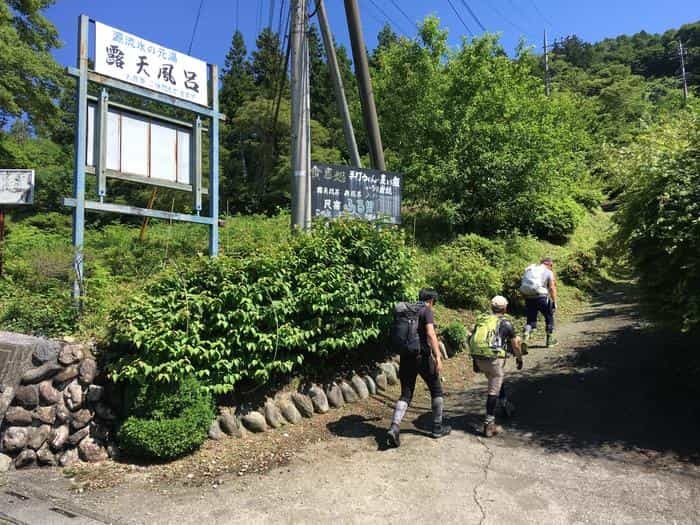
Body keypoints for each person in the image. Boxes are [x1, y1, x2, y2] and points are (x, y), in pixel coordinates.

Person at [386, 288, 451, 448]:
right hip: (422, 356)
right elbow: (430, 333)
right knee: (436, 389)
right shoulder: (426, 310)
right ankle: (437, 427)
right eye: (434, 303)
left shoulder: (406, 310)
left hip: (406, 357)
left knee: (406, 394)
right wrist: (437, 356)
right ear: (431, 300)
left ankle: (394, 427)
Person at [469, 295, 523, 438]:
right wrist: (519, 359)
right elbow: (515, 345)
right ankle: (489, 425)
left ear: (492, 307)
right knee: (493, 389)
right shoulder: (506, 323)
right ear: (505, 308)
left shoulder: (482, 320)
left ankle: (505, 404)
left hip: (479, 358)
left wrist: (475, 361)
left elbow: (471, 337)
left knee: (497, 379)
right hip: (493, 360)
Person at [520, 257, 558, 351]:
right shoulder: (548, 272)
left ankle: (526, 335)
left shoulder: (530, 269)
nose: (552, 267)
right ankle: (549, 341)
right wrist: (554, 301)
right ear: (549, 264)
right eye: (551, 265)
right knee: (549, 317)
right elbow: (552, 288)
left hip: (529, 298)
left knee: (530, 320)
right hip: (542, 298)